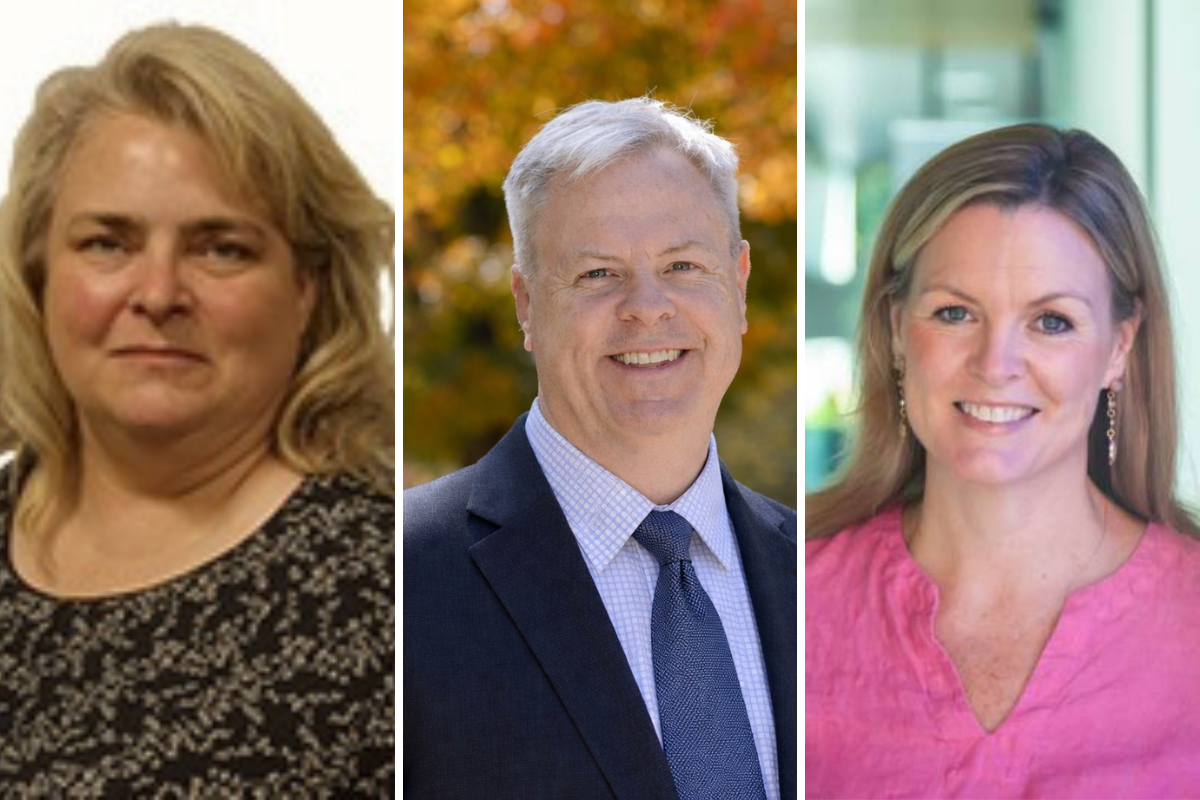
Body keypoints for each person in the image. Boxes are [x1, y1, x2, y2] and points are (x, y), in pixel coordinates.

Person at [0, 23, 394, 794]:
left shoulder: (393, 591)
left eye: (222, 248)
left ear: (307, 288)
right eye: (107, 243)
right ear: (38, 272)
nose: (157, 295)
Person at [404, 97, 797, 800]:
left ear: (737, 285)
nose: (647, 307)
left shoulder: (820, 578)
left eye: (682, 266)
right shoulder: (394, 581)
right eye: (597, 274)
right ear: (526, 304)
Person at [806, 122, 1200, 797]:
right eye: (956, 313)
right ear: (898, 328)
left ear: (1118, 348)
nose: (995, 365)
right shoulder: (788, 591)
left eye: (1052, 322)